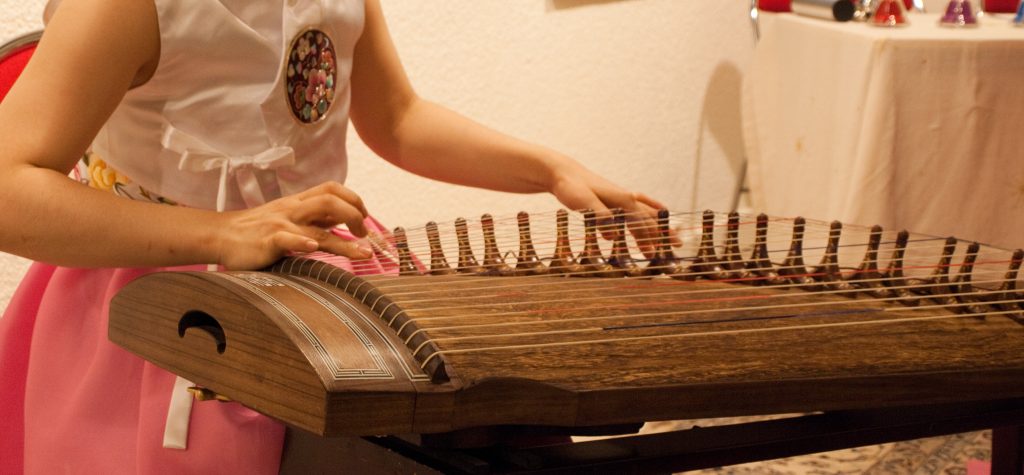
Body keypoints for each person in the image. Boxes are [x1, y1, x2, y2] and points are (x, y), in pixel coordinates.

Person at [0, 0, 668, 473]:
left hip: (319, 278)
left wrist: (551, 169)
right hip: (162, 299)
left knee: (470, 425)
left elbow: (399, 118)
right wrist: (223, 230)